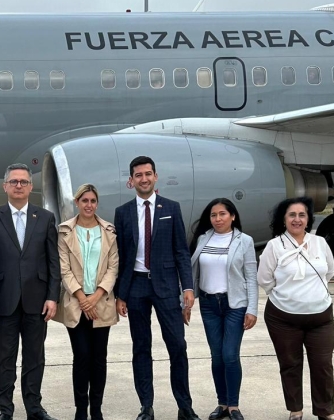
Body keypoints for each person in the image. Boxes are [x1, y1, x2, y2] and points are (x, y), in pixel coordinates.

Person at [113, 156, 201, 420]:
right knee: (141, 347)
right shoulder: (123, 212)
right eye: (138, 175)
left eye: (148, 174)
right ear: (131, 181)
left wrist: (188, 287)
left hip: (165, 287)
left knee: (177, 346)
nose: (144, 179)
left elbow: (181, 252)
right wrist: (121, 293)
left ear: (156, 176)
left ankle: (185, 407)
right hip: (136, 286)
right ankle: (146, 406)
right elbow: (120, 256)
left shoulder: (171, 208)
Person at [0, 163, 61, 420]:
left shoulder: (46, 218)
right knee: (3, 359)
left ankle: (34, 408)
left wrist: (52, 296)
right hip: (3, 301)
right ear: (5, 186)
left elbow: (53, 262)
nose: (18, 186)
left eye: (23, 182)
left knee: (34, 358)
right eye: (14, 181)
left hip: (37, 301)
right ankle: (5, 409)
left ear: (31, 186)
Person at [258, 197, 334, 420]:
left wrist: (311, 295)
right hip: (283, 318)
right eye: (291, 215)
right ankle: (296, 410)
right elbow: (264, 279)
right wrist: (289, 296)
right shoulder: (274, 246)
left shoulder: (320, 243)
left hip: (321, 316)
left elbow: (329, 272)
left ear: (308, 219)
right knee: (290, 364)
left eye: (301, 215)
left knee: (323, 365)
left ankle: (325, 411)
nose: (297, 219)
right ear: (283, 220)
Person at [51, 184, 119, 420]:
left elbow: (113, 268)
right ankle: (81, 409)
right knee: (81, 357)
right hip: (76, 303)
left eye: (92, 201)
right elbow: (64, 268)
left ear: (96, 203)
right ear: (77, 203)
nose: (88, 205)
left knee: (99, 359)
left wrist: (96, 296)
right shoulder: (64, 232)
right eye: (84, 201)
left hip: (101, 303)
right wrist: (82, 298)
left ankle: (97, 409)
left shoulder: (109, 231)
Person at [188, 199, 258, 420]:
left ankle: (234, 405)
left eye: (222, 214)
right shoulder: (203, 238)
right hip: (208, 304)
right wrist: (186, 303)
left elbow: (251, 277)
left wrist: (253, 309)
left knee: (229, 355)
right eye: (213, 215)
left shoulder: (244, 241)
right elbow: (193, 273)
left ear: (233, 216)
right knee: (217, 356)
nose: (217, 219)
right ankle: (222, 403)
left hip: (234, 305)